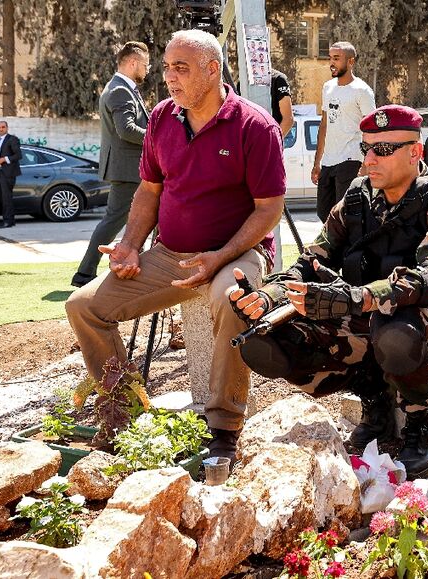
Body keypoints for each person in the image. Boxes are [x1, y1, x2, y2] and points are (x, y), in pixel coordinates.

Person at [65, 30, 286, 464]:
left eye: (180, 68)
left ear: (212, 70)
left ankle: (223, 427)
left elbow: (268, 210)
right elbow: (148, 191)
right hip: (171, 256)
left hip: (236, 253)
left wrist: (219, 258)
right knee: (83, 307)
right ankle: (123, 418)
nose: (169, 77)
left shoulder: (254, 125)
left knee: (233, 299)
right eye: (166, 67)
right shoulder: (163, 118)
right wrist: (130, 245)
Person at [230, 105, 428, 477]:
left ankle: (421, 423)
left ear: (415, 152)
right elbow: (310, 261)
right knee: (269, 338)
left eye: (382, 150)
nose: (370, 160)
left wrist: (356, 297)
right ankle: (376, 404)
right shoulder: (357, 199)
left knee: (395, 328)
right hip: (365, 323)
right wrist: (268, 296)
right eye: (366, 149)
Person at [72, 41, 151, 288]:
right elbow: (126, 130)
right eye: (146, 65)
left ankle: (88, 272)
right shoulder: (120, 91)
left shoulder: (120, 88)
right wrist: (157, 137)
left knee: (134, 218)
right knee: (113, 220)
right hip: (128, 170)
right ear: (132, 63)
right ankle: (84, 274)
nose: (147, 71)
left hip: (126, 168)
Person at [312, 41, 376, 222]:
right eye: (331, 58)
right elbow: (324, 124)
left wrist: (365, 164)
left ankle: (347, 250)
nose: (332, 63)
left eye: (337, 59)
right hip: (329, 161)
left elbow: (371, 129)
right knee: (323, 213)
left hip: (351, 159)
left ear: (351, 62)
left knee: (345, 214)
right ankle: (332, 249)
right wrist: (317, 162)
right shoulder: (327, 87)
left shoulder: (362, 91)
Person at [270, 68, 294, 137]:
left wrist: (274, 141)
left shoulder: (278, 79)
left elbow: (288, 119)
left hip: (272, 142)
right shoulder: (243, 83)